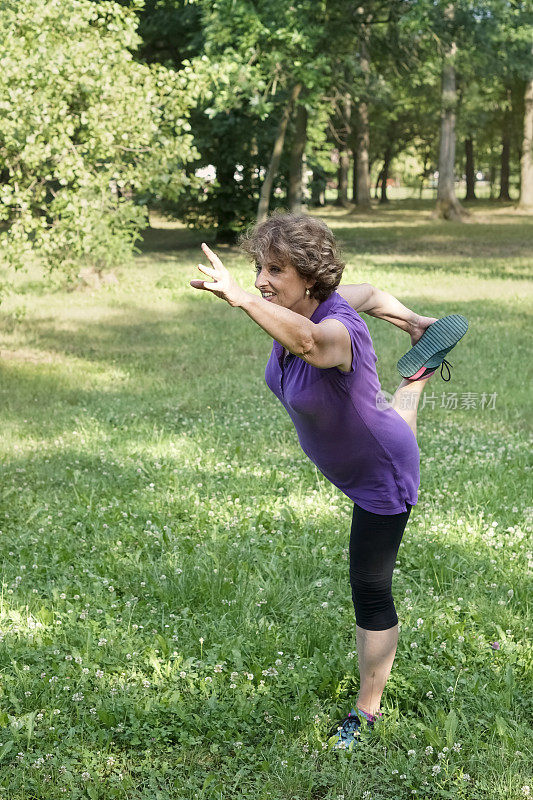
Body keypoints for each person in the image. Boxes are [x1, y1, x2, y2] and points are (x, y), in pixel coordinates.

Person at [189, 212, 468, 751]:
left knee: (369, 586)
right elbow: (370, 292)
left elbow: (313, 345)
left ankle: (366, 712)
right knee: (386, 418)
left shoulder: (333, 331)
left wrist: (243, 299)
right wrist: (411, 319)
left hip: (379, 473)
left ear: (310, 277)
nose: (262, 280)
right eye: (257, 268)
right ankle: (421, 361)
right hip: (364, 443)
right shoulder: (303, 306)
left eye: (276, 269)